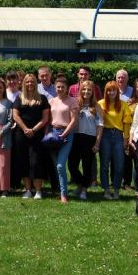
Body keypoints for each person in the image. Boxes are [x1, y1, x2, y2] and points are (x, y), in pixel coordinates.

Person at [13, 74, 50, 199]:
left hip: (37, 135)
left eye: (32, 82)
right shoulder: (19, 98)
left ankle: (38, 190)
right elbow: (15, 116)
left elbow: (45, 118)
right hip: (21, 134)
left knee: (36, 161)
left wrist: (33, 130)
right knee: (23, 161)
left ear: (35, 83)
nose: (29, 84)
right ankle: (28, 190)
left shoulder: (43, 99)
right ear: (24, 83)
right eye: (27, 82)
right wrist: (25, 129)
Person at [67, 81, 103, 200]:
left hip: (89, 138)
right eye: (84, 89)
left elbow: (100, 126)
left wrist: (97, 143)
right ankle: (82, 183)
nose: (86, 92)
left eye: (89, 90)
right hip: (76, 137)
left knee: (87, 166)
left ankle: (83, 190)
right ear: (80, 90)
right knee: (72, 166)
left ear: (92, 92)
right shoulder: (76, 104)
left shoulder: (97, 107)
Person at [98, 81, 133, 199]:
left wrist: (126, 139)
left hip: (118, 135)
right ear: (106, 92)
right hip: (105, 135)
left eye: (114, 90)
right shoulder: (100, 104)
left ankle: (117, 189)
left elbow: (127, 123)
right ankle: (106, 190)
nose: (111, 92)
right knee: (104, 165)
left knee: (119, 165)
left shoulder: (123, 104)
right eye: (109, 90)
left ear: (117, 91)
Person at [48, 75, 79, 204]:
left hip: (66, 133)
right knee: (56, 165)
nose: (60, 89)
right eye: (58, 87)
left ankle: (64, 194)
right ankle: (58, 189)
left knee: (61, 165)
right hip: (53, 133)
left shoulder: (72, 101)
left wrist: (64, 134)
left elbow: (74, 120)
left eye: (62, 87)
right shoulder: (52, 101)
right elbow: (49, 119)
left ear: (67, 88)